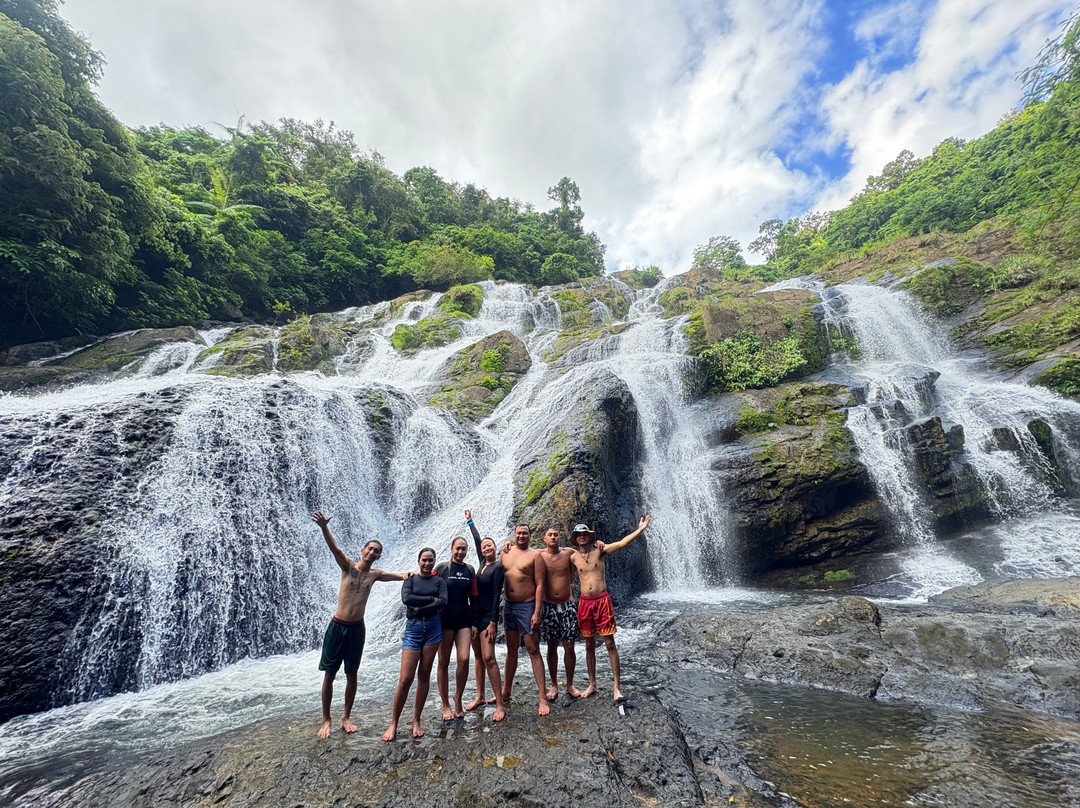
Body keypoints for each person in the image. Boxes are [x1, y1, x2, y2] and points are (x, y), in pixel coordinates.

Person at [311, 510, 411, 739]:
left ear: (378, 556)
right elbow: (335, 549)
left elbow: (397, 575)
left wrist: (411, 574)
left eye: (377, 551)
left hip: (357, 629)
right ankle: (327, 718)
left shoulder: (375, 575)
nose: (373, 552)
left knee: (352, 674)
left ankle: (346, 717)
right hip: (337, 626)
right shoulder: (348, 566)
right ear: (362, 551)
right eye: (370, 549)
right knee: (329, 674)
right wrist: (324, 528)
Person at [569, 515, 650, 702]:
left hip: (602, 601)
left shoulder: (600, 550)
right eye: (579, 535)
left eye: (585, 534)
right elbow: (550, 554)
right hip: (584, 603)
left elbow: (621, 544)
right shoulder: (572, 557)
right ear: (575, 538)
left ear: (589, 537)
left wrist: (640, 529)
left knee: (609, 644)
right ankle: (592, 684)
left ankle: (616, 687)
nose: (582, 537)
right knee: (589, 645)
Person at [382, 547, 447, 741]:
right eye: (424, 560)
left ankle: (416, 720)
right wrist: (429, 600)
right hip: (413, 630)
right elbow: (406, 599)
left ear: (434, 562)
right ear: (418, 560)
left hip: (433, 629)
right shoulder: (410, 579)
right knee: (405, 679)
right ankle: (393, 723)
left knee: (424, 675)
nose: (427, 563)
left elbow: (443, 601)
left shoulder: (439, 581)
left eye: (430, 560)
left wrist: (420, 607)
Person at [499, 523, 550, 715]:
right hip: (509, 606)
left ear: (530, 536)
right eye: (518, 533)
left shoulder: (535, 555)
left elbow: (540, 585)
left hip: (527, 606)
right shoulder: (505, 552)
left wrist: (537, 612)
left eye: (525, 533)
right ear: (514, 535)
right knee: (511, 649)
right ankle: (506, 691)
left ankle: (542, 698)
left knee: (533, 649)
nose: (521, 536)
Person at [463, 509, 506, 721]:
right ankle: (480, 696)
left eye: (490, 545)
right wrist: (471, 522)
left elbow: (497, 595)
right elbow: (477, 538)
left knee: (489, 658)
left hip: (488, 618)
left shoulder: (498, 567)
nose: (486, 547)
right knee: (478, 657)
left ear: (495, 548)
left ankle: (499, 703)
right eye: (484, 546)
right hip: (475, 617)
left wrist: (493, 622)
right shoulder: (481, 564)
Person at [537, 527, 583, 700]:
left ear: (560, 538)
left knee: (569, 645)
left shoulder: (569, 553)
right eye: (550, 535)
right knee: (551, 645)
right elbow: (521, 551)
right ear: (544, 538)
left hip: (566, 605)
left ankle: (570, 684)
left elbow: (586, 552)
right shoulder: (539, 554)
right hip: (548, 606)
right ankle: (554, 684)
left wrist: (598, 544)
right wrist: (507, 547)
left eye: (556, 535)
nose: (553, 537)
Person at [435, 536, 476, 721]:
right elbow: (429, 587)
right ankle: (445, 704)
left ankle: (457, 697)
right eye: (457, 548)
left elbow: (473, 598)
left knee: (464, 659)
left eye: (463, 549)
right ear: (452, 549)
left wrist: (475, 622)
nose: (460, 552)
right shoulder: (442, 568)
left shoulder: (470, 570)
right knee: (443, 662)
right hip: (444, 621)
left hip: (464, 620)